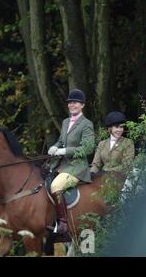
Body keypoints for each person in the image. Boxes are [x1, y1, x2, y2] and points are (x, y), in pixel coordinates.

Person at [47, 89, 95, 235]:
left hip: (76, 168)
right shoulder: (65, 122)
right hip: (62, 165)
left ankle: (63, 224)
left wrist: (64, 151)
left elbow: (88, 148)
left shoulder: (86, 124)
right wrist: (55, 146)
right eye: (70, 102)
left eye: (75, 102)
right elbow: (62, 140)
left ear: (82, 105)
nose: (72, 105)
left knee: (56, 185)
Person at [90, 111, 135, 176]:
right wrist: (92, 172)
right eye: (117, 127)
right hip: (103, 178)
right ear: (110, 128)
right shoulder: (102, 144)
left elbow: (126, 166)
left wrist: (106, 171)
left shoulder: (128, 143)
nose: (120, 130)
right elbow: (96, 164)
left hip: (120, 178)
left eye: (121, 127)